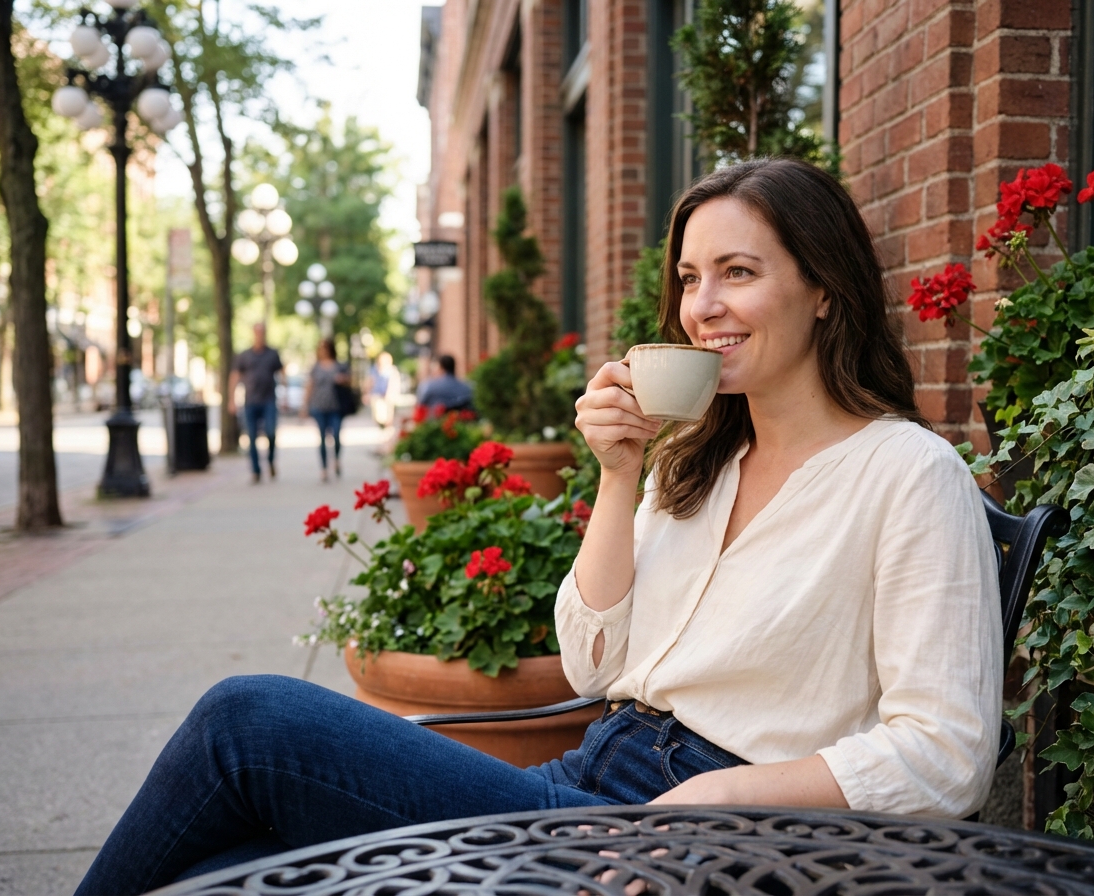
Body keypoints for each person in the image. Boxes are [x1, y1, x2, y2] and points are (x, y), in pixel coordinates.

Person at [75, 159, 1000, 896]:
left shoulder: (906, 474)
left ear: (826, 289)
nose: (702, 305)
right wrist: (620, 472)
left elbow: (945, 755)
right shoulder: (698, 462)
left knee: (247, 724)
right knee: (216, 871)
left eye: (739, 273)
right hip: (588, 784)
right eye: (689, 278)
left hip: (713, 839)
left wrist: (712, 800)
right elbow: (595, 666)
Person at [228, 323, 283, 484]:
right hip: (250, 401)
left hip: (269, 401)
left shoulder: (272, 354)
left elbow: (282, 372)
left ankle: (271, 460)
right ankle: (256, 470)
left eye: (262, 333)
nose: (260, 335)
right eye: (257, 333)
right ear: (253, 334)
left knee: (271, 433)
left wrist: (285, 396)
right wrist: (231, 399)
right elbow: (235, 377)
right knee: (251, 437)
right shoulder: (244, 355)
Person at [300, 337, 350, 482]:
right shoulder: (315, 367)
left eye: (325, 348)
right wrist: (305, 405)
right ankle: (324, 469)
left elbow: (350, 380)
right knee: (322, 438)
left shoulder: (339, 365)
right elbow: (310, 386)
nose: (323, 351)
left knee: (336, 436)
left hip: (336, 406)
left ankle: (336, 460)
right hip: (318, 406)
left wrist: (343, 379)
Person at [368, 351, 401, 429]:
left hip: (388, 395)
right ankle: (382, 428)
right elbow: (370, 381)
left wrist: (391, 394)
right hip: (376, 395)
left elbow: (394, 382)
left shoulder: (392, 370)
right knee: (377, 415)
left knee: (388, 414)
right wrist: (367, 393)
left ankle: (387, 429)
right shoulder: (374, 369)